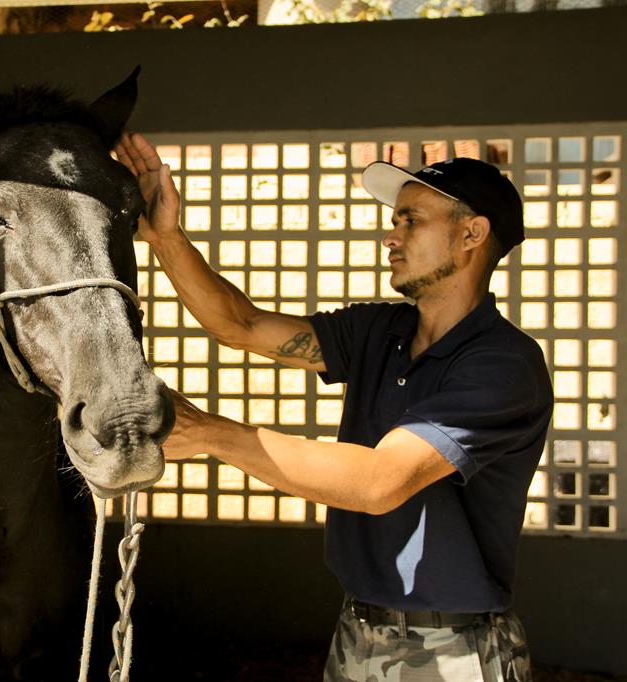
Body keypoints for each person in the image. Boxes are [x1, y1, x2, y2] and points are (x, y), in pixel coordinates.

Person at [116, 132, 553, 681]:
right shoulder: (379, 330)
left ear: (472, 233)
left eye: (410, 221)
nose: (389, 237)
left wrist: (211, 434)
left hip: (455, 648)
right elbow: (242, 325)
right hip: (356, 630)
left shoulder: (504, 365)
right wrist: (165, 237)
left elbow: (379, 481)